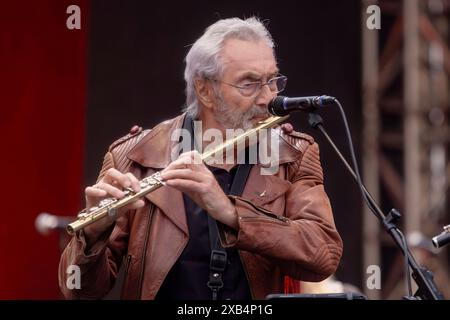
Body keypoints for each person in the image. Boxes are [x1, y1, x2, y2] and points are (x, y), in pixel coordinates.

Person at [58, 17, 343, 300]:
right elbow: (79, 292)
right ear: (205, 89)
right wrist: (92, 236)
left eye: (272, 81)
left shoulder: (292, 154)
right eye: (249, 84)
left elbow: (322, 255)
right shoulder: (133, 156)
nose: (268, 98)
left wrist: (231, 213)